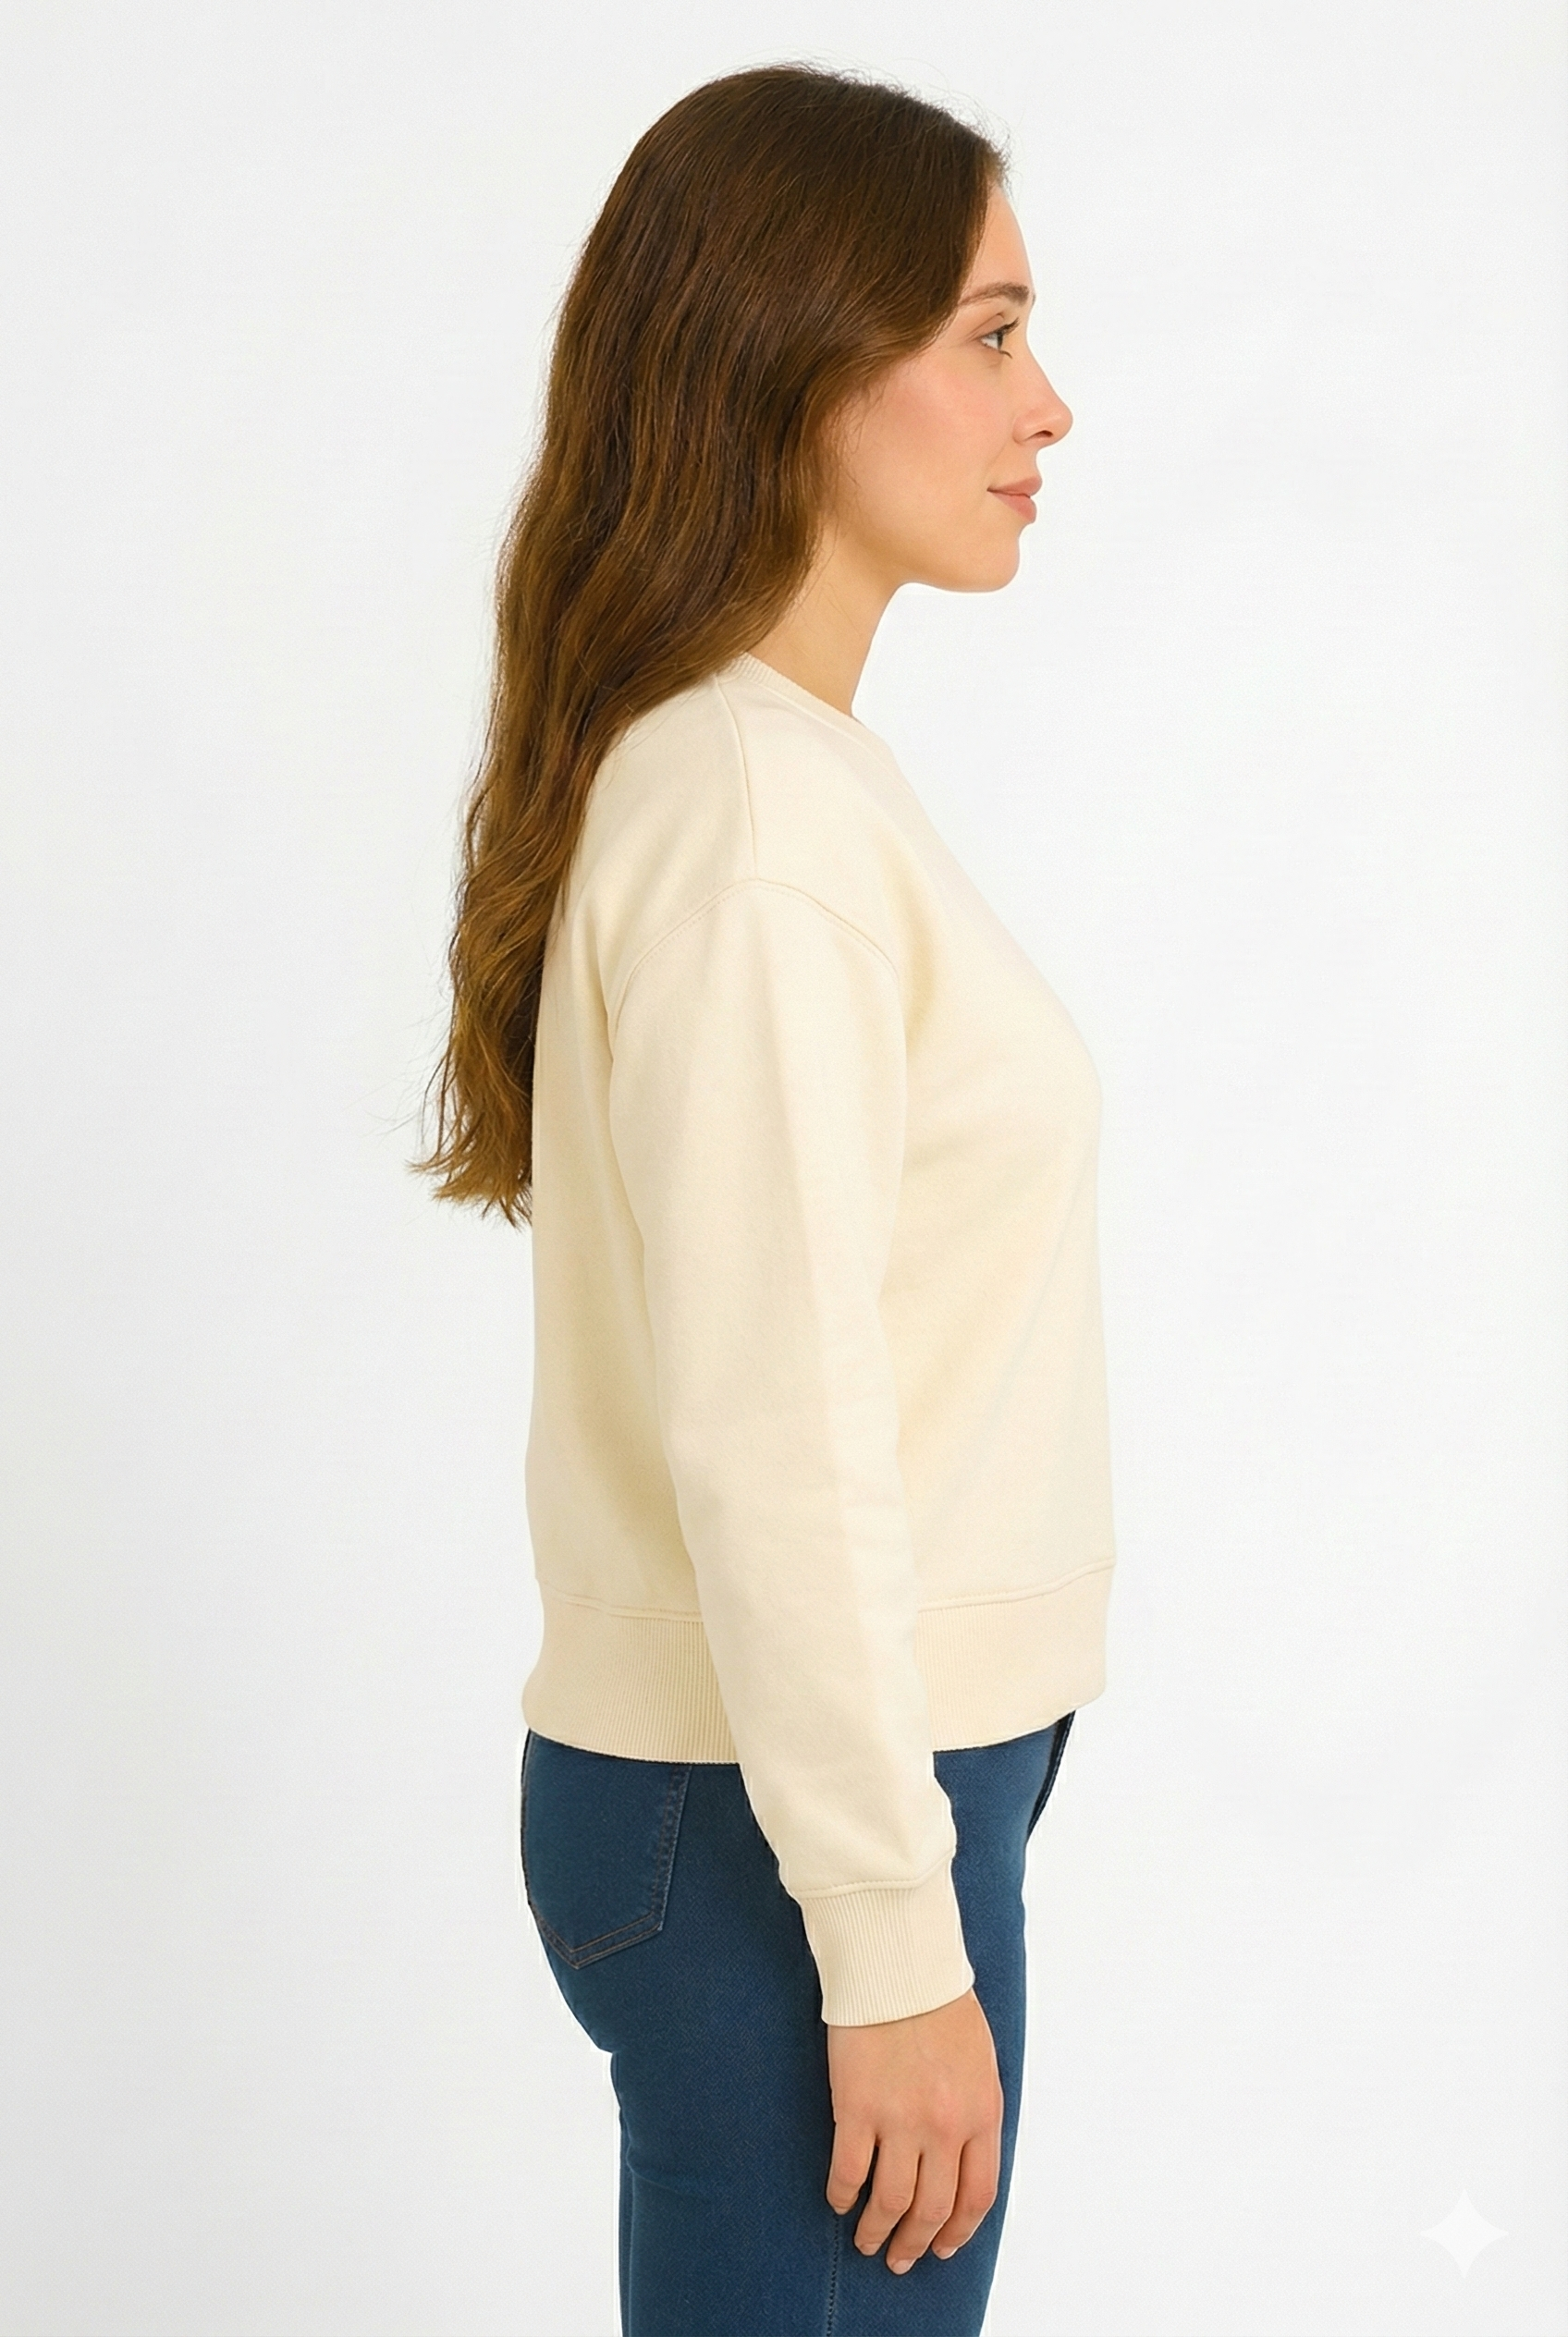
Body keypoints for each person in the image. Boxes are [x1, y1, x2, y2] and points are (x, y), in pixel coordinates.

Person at [414, 61, 1116, 2337]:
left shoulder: (768, 779)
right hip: (786, 1828)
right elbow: (772, 1430)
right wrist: (891, 1938)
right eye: (988, 334)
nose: (1046, 403)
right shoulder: (751, 821)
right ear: (798, 360)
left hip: (797, 1803)